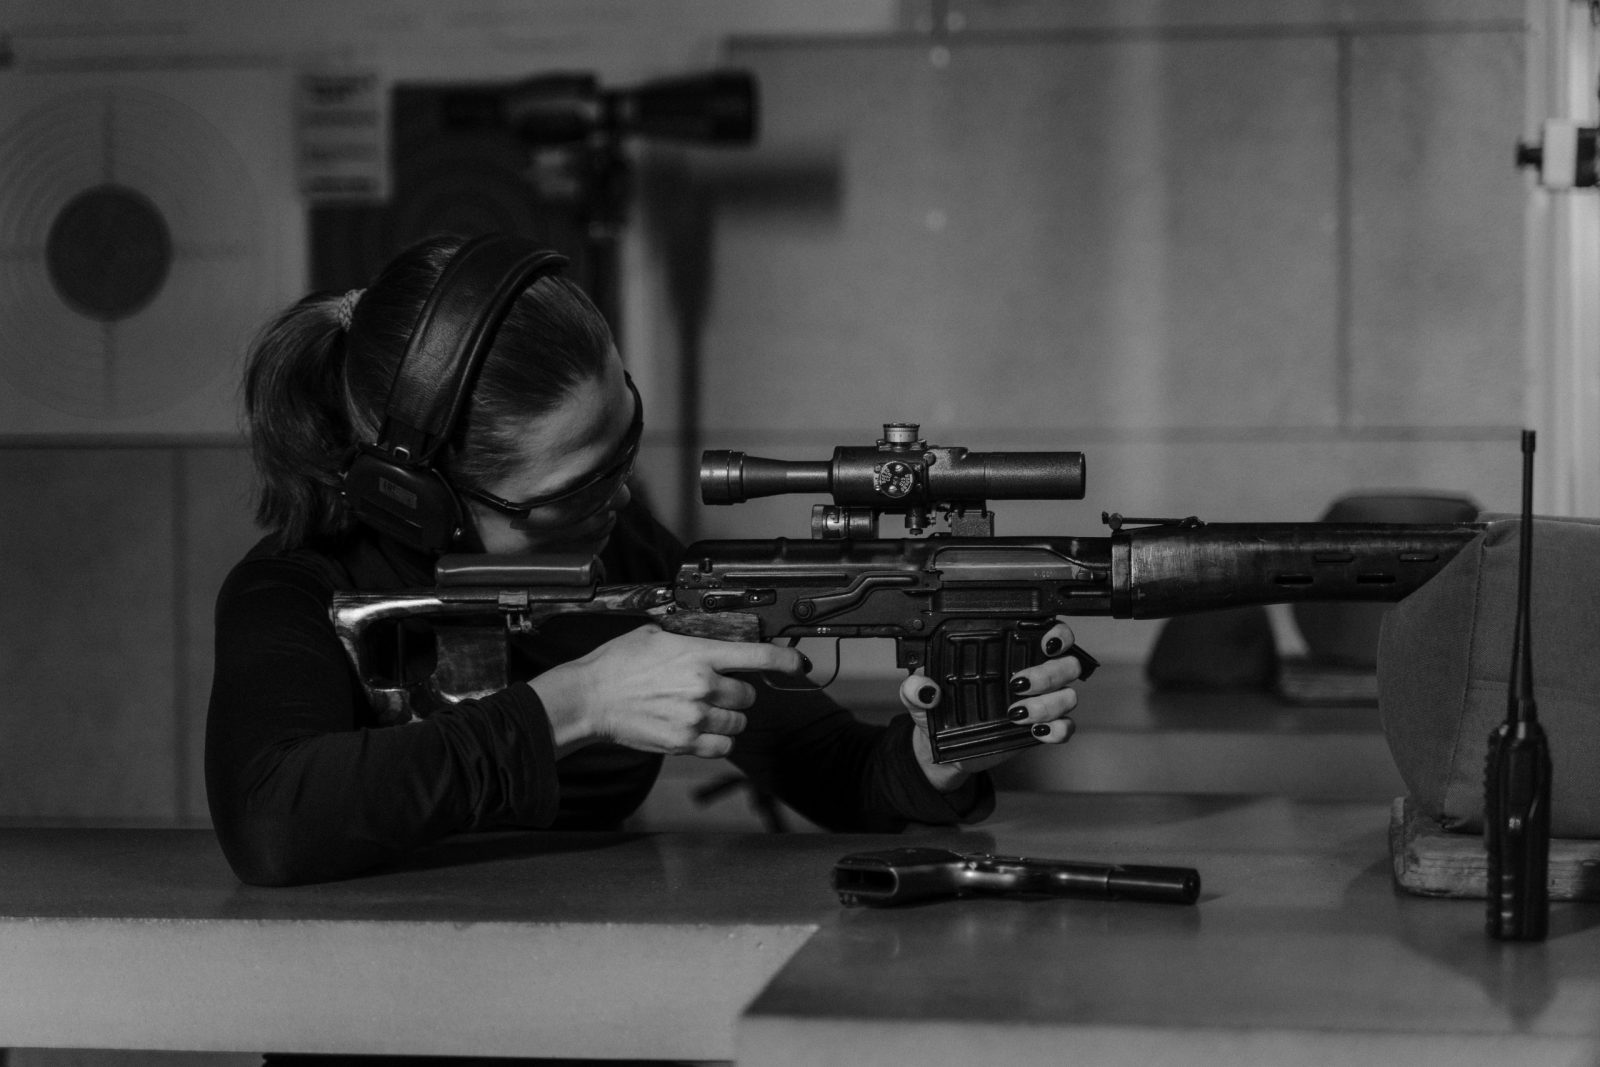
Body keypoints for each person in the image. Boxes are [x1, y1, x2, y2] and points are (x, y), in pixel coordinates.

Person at [205, 232, 1085, 888]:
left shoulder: (621, 554)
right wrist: (579, 703)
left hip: (604, 997)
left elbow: (836, 770)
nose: (620, 503)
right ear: (423, 497)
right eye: (575, 491)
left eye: (624, 447)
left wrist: (937, 753)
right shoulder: (299, 588)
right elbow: (271, 823)